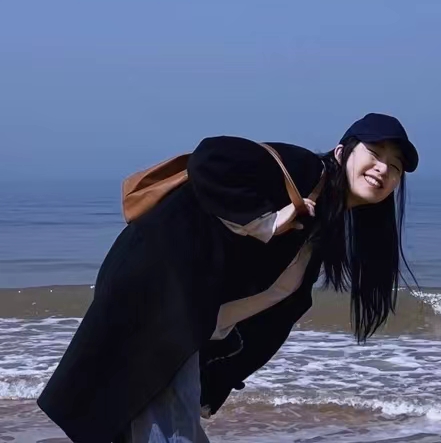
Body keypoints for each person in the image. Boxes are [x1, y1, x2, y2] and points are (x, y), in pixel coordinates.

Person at [37, 112, 419, 443]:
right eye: (375, 153)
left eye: (395, 167)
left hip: (180, 322)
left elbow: (272, 315)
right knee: (170, 428)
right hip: (157, 293)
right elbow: (210, 157)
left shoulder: (322, 229)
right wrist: (268, 221)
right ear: (341, 152)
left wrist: (215, 381)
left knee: (153, 425)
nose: (383, 169)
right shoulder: (304, 170)